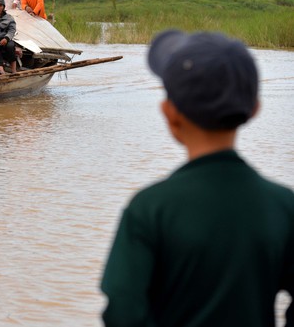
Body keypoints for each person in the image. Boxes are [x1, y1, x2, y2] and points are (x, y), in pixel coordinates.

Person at [101, 30, 294, 327]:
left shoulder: (150, 209)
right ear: (254, 109)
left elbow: (123, 312)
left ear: (169, 114)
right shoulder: (284, 206)